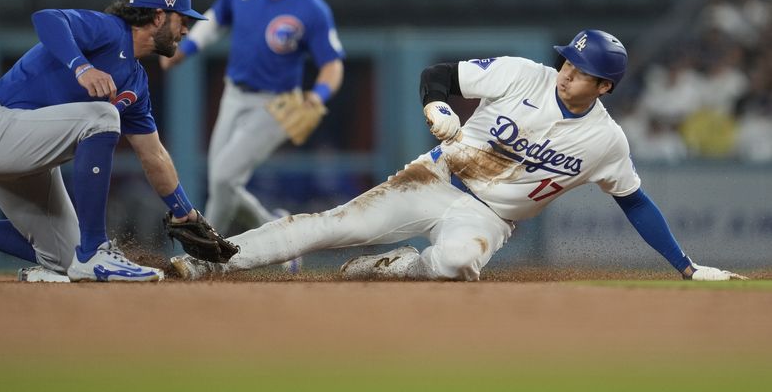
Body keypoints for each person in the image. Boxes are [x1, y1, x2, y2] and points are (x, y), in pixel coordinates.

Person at [170, 30, 748, 283]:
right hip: (433, 177)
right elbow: (438, 74)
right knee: (326, 228)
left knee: (453, 266)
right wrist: (435, 108)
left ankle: (395, 268)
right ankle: (205, 262)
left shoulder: (607, 143)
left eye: (582, 71)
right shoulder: (526, 73)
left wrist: (687, 267)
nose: (568, 70)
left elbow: (637, 204)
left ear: (605, 87)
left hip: (488, 218)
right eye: (569, 61)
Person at [0, 0, 221, 282]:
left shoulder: (137, 82)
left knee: (64, 259)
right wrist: (82, 67)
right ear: (159, 16)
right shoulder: (110, 30)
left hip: (28, 153)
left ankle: (83, 254)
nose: (186, 29)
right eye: (182, 19)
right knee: (104, 116)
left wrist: (183, 211)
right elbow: (48, 18)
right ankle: (94, 251)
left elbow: (153, 154)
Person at [160, 0, 345, 243]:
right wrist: (185, 49)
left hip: (276, 105)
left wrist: (318, 95)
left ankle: (205, 254)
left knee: (222, 178)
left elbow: (332, 64)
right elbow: (216, 20)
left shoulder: (312, 7)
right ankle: (279, 232)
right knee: (224, 182)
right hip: (234, 95)